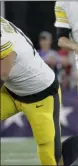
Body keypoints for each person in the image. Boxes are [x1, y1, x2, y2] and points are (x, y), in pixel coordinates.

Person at [1, 17, 61, 165]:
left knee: (49, 153)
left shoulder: (4, 40)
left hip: (41, 95)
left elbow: (3, 74)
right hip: (12, 90)